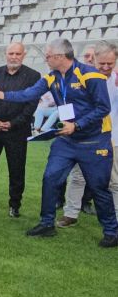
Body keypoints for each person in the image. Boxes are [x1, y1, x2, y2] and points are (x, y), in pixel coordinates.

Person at [0, 38, 118, 247]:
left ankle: (111, 232)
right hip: (66, 141)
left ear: (60, 57)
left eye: (48, 56)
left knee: (99, 187)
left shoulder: (91, 75)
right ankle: (46, 223)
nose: (46, 59)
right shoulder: (51, 77)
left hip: (93, 142)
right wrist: (0, 94)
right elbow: (28, 94)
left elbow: (103, 108)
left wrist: (77, 125)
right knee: (50, 178)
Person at [58, 41, 118, 228]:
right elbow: (67, 104)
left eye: (110, 63)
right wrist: (68, 125)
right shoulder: (80, 79)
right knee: (78, 177)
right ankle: (70, 213)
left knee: (114, 181)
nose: (106, 67)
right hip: (84, 137)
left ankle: (115, 218)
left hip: (113, 138)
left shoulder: (116, 80)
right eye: (102, 63)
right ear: (94, 60)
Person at [0, 43, 39, 216]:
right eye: (11, 53)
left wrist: (12, 123)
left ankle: (15, 205)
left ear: (24, 55)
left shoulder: (33, 76)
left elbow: (31, 105)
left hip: (18, 131)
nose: (14, 57)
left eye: (18, 54)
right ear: (5, 54)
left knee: (17, 170)